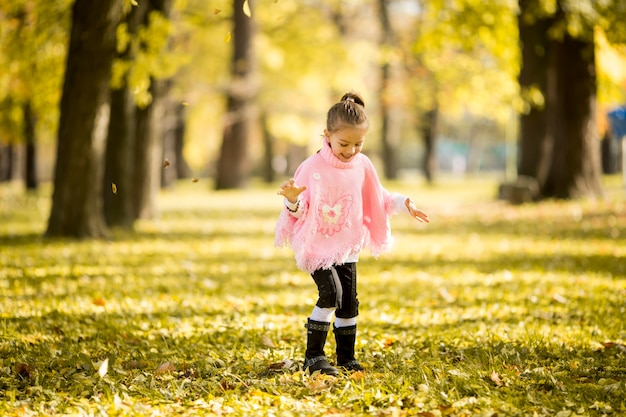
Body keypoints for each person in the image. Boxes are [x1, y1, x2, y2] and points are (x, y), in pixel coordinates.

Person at [275, 92, 430, 376]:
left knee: (348, 303)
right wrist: (293, 200)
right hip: (317, 246)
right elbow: (298, 213)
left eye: (358, 143)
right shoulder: (312, 167)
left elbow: (379, 196)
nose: (350, 150)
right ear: (327, 135)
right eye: (343, 143)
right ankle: (314, 357)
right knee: (330, 294)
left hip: (347, 246)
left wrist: (405, 203)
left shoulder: (363, 165)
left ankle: (346, 358)